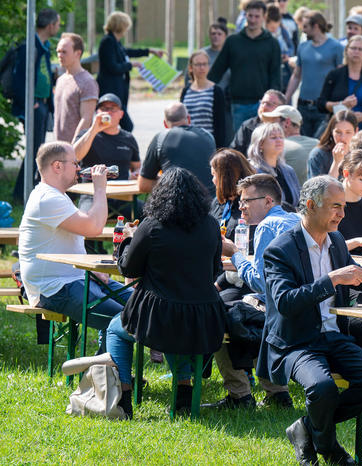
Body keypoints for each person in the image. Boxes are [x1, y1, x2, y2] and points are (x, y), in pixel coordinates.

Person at [259, 175, 362, 465]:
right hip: (297, 342)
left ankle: (307, 429)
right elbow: (285, 302)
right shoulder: (280, 249)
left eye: (344, 207)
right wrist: (330, 280)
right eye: (336, 207)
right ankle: (329, 448)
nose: (342, 214)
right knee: (322, 388)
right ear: (311, 205)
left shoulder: (335, 240)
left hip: (333, 336)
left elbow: (352, 271)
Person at [106, 168, 227, 418]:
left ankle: (123, 396)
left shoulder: (152, 226)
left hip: (158, 317)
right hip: (203, 318)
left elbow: (129, 267)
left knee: (115, 330)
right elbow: (215, 270)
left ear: (160, 195)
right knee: (177, 328)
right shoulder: (212, 226)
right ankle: (183, 390)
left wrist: (127, 241)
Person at [18, 142, 129, 352]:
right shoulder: (47, 198)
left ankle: (108, 374)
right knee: (124, 320)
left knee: (144, 306)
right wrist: (99, 188)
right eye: (75, 163)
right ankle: (107, 375)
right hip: (54, 288)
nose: (79, 168)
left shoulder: (56, 196)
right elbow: (94, 227)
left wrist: (92, 272)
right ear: (57, 166)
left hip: (74, 279)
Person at [206, 174, 299, 411]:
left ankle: (240, 396)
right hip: (299, 306)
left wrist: (234, 252)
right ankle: (277, 393)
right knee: (242, 308)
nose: (241, 207)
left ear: (268, 201)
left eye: (246, 201)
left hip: (280, 309)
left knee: (217, 317)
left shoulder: (266, 226)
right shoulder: (295, 219)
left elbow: (259, 282)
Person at [208, 1, 281, 134]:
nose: (253, 20)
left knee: (263, 144)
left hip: (263, 104)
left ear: (264, 17)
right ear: (245, 15)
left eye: (257, 16)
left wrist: (275, 103)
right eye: (250, 15)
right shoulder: (233, 41)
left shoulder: (272, 43)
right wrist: (200, 87)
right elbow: (217, 70)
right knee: (240, 144)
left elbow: (275, 75)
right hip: (238, 103)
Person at [11, 8, 61, 202]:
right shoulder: (30, 46)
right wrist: (29, 103)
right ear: (50, 25)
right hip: (34, 107)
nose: (57, 27)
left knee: (36, 149)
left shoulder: (43, 45)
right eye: (57, 24)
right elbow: (19, 78)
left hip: (42, 104)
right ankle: (20, 193)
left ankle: (26, 189)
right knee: (34, 150)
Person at [72, 93, 141, 215]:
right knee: (84, 219)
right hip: (91, 194)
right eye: (103, 109)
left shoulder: (128, 138)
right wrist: (94, 129)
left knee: (152, 216)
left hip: (122, 196)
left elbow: (137, 166)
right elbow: (75, 157)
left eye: (112, 109)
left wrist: (136, 174)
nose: (107, 112)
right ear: (97, 112)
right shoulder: (87, 134)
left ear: (121, 114)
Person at [97, 11, 163, 132]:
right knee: (126, 125)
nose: (127, 30)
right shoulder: (108, 42)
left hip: (119, 89)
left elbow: (128, 52)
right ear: (120, 26)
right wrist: (130, 65)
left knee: (113, 124)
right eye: (126, 26)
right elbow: (112, 66)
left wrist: (149, 51)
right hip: (110, 89)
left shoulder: (115, 42)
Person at [285, 10, 344, 138]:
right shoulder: (303, 47)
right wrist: (287, 97)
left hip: (323, 108)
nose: (303, 30)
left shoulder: (336, 47)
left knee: (318, 145)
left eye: (305, 26)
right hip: (303, 105)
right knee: (303, 143)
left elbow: (341, 78)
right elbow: (296, 75)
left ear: (316, 26)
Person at [139, 103, 216, 198]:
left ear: (165, 124)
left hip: (177, 204)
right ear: (188, 119)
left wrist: (167, 182)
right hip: (210, 205)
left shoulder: (161, 138)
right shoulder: (208, 136)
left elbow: (143, 185)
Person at [317, 35, 362, 134]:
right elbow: (321, 104)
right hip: (338, 134)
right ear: (346, 51)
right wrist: (341, 104)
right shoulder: (334, 75)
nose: (356, 51)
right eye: (353, 48)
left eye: (360, 49)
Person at [54, 33, 98, 144]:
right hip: (59, 147)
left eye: (64, 52)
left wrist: (74, 147)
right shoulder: (61, 79)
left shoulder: (87, 82)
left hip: (75, 150)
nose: (60, 55)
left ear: (77, 53)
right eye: (58, 51)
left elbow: (86, 119)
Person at [180, 50, 229, 148]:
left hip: (209, 144)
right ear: (190, 68)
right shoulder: (186, 91)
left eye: (204, 64)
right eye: (198, 64)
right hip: (188, 144)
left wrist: (218, 149)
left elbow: (221, 125)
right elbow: (181, 120)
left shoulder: (216, 91)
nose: (202, 68)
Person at [247, 122, 301, 207]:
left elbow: (299, 202)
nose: (279, 140)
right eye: (273, 137)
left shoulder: (289, 170)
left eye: (281, 137)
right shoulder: (252, 171)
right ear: (260, 144)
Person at [262, 105, 318, 185]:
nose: (270, 127)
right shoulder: (318, 143)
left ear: (287, 123)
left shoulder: (277, 146)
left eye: (273, 123)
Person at [231, 89, 286, 156]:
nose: (264, 107)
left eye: (270, 104)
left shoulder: (286, 126)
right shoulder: (248, 126)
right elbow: (235, 152)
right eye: (262, 103)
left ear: (282, 108)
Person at [307, 110, 358, 179]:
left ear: (356, 131)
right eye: (338, 132)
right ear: (331, 131)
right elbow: (318, 189)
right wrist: (336, 162)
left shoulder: (358, 154)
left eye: (348, 132)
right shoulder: (318, 155)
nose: (342, 138)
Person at [265, 4, 294, 90]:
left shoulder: (283, 31)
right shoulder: (263, 34)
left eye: (276, 26)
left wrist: (287, 55)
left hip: (283, 67)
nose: (274, 29)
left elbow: (291, 46)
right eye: (271, 27)